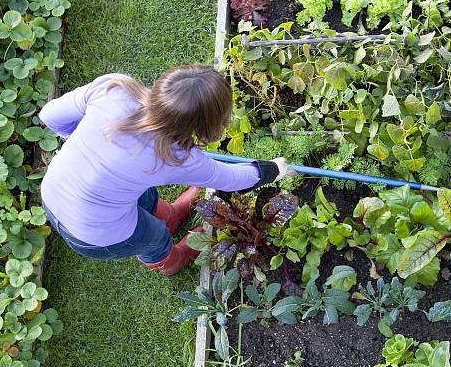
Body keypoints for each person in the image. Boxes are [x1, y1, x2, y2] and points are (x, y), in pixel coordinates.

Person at [38, 66, 293, 276]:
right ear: (206, 126)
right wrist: (274, 170)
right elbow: (231, 179)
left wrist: (85, 145)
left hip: (52, 192)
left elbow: (49, 115)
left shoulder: (114, 88)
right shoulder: (176, 157)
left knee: (141, 192)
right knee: (154, 236)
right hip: (92, 234)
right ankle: (172, 261)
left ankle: (170, 215)